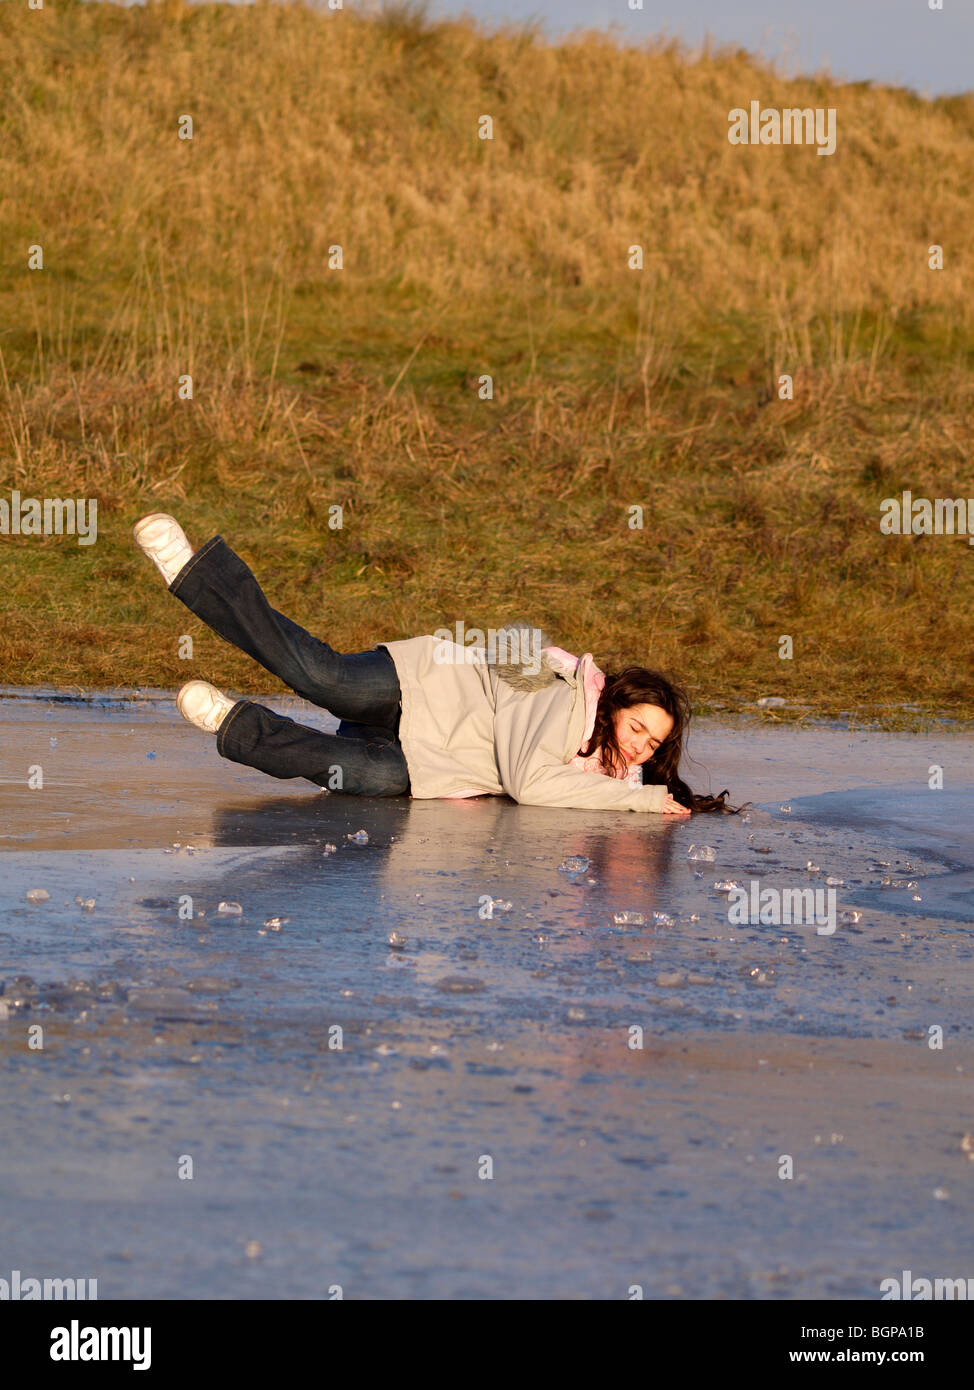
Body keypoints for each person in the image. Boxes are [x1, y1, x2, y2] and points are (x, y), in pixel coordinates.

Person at [133, 514, 733, 814]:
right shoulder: (570, 699)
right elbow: (528, 784)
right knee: (322, 678)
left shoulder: (608, 779)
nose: (641, 751)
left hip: (432, 760)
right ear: (613, 705)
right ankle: (194, 572)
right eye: (637, 729)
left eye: (654, 745)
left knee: (358, 778)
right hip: (420, 690)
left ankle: (236, 724)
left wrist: (646, 796)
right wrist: (642, 802)